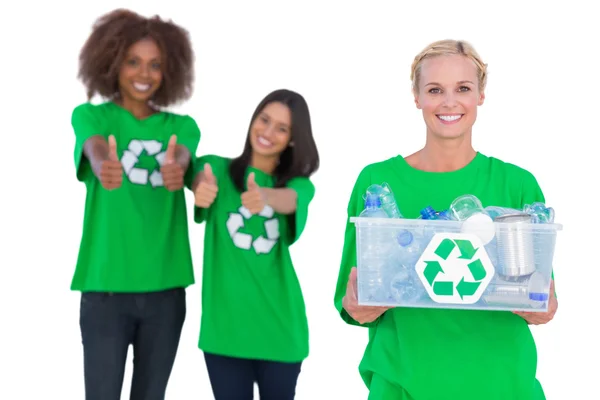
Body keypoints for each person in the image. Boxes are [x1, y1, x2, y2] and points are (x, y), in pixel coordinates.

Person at [333, 39, 558, 400]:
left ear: (481, 95)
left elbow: (542, 297)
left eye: (463, 88)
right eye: (435, 89)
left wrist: (540, 307)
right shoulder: (377, 183)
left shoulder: (517, 184)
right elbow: (350, 299)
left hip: (502, 386)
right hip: (403, 386)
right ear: (416, 96)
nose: (449, 102)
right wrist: (359, 306)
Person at [70, 8, 199, 400]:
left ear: (169, 70)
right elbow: (92, 145)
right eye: (133, 62)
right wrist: (101, 162)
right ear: (111, 63)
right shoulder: (92, 116)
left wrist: (178, 168)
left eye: (155, 64)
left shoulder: (182, 128)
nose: (144, 74)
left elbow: (183, 158)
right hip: (106, 288)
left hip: (166, 291)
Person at [191, 89, 320, 399]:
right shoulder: (216, 170)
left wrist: (266, 197)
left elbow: (292, 200)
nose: (268, 132)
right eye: (264, 120)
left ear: (292, 138)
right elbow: (196, 177)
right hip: (224, 332)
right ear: (253, 119)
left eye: (282, 128)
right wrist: (200, 188)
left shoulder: (297, 185)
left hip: (280, 331)